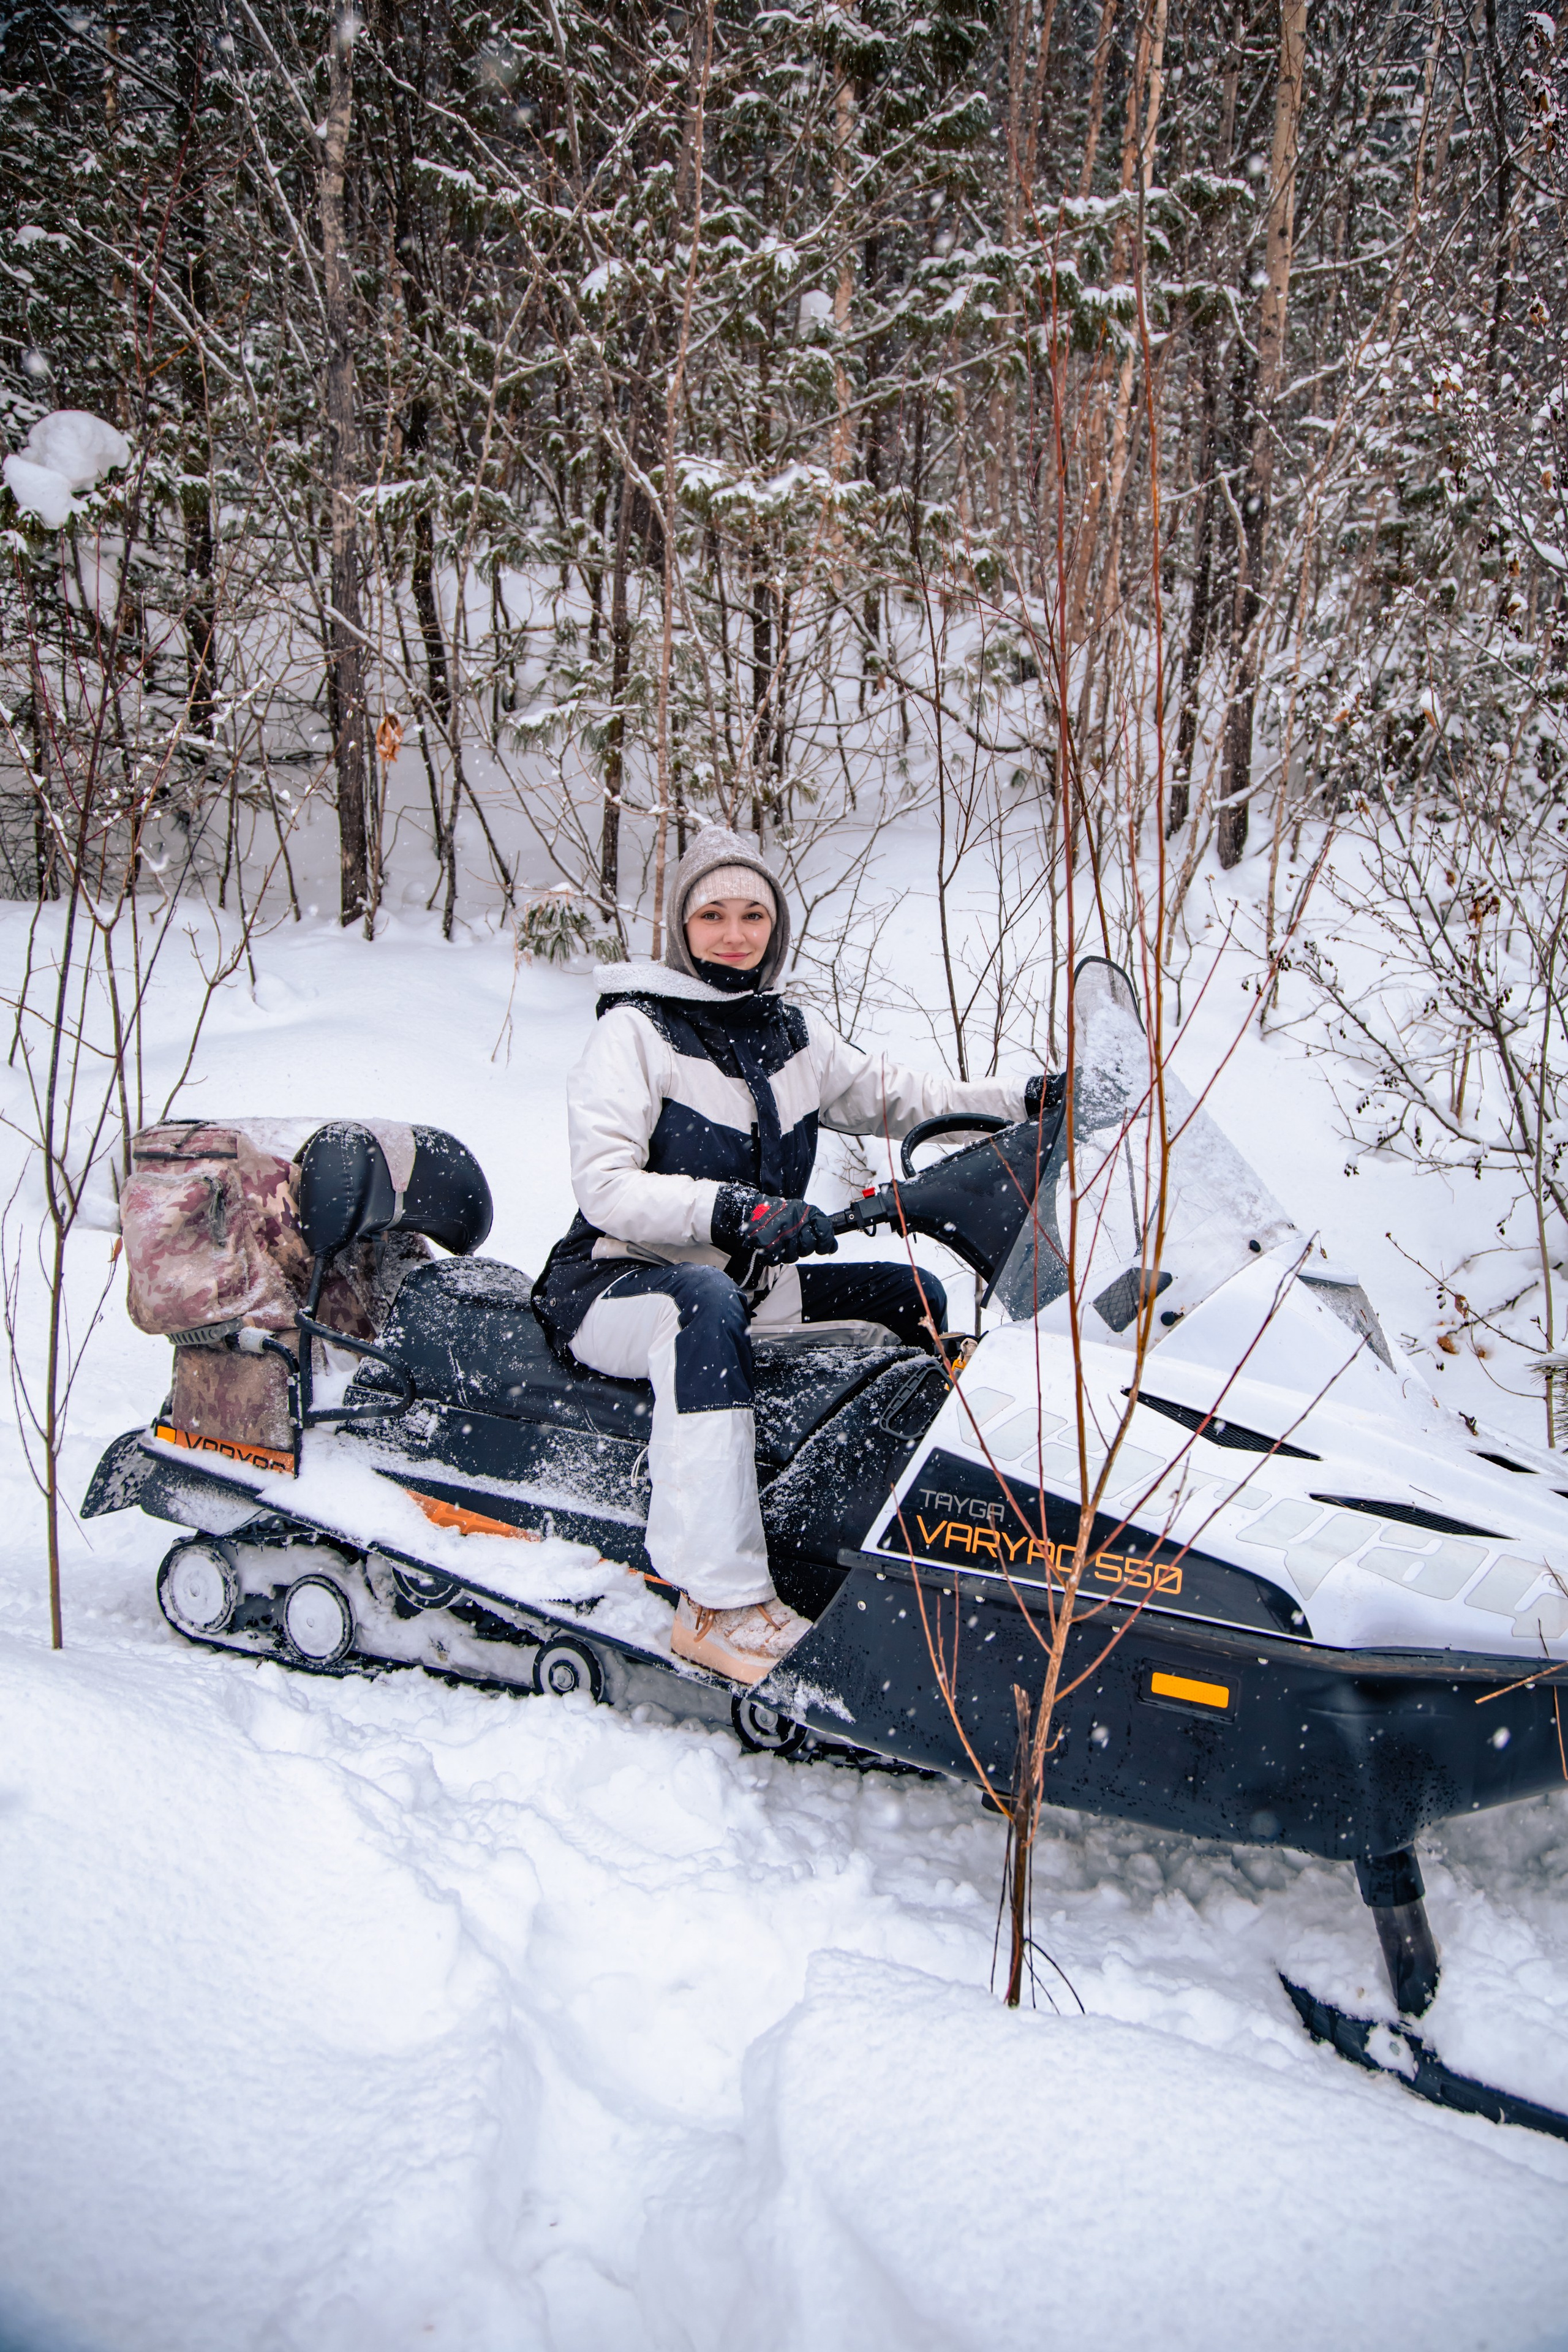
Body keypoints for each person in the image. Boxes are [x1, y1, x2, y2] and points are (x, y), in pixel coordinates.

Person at [532, 826, 1051, 1685]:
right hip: (616, 1283)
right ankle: (717, 1601)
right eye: (711, 916)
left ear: (776, 929)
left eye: (752, 916)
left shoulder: (791, 1035)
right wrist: (736, 1210)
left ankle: (908, 1532)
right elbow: (606, 1187)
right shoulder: (634, 1033)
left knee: (908, 1294)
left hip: (739, 1289)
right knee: (701, 1304)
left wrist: (1022, 1098)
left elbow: (899, 1097)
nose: (734, 934)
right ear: (680, 927)